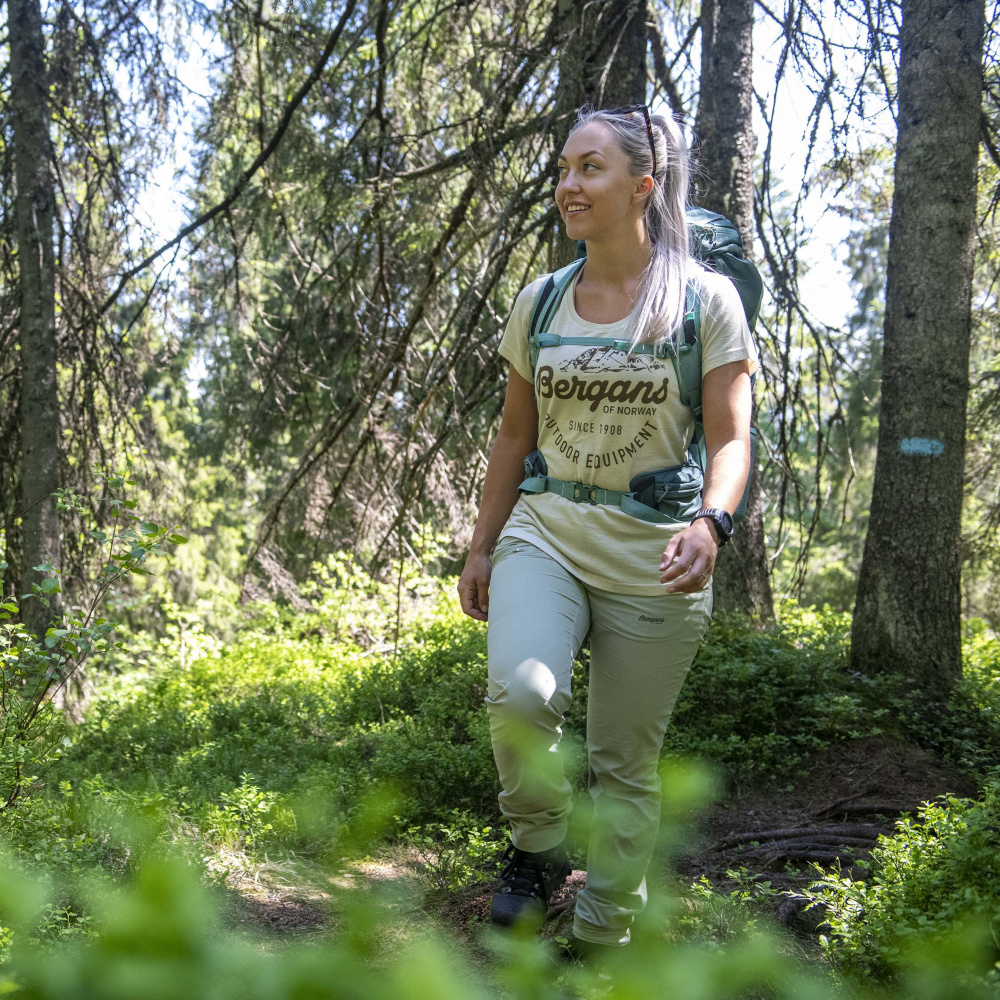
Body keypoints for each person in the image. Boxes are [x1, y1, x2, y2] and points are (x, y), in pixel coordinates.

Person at [457, 104, 759, 953]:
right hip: (546, 532)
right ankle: (536, 851)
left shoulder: (704, 302)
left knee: (625, 761)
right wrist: (483, 545)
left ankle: (600, 938)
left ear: (642, 186)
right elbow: (515, 435)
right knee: (522, 695)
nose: (567, 185)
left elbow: (733, 438)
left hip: (654, 552)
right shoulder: (542, 300)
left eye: (590, 168)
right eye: (564, 168)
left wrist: (713, 523)